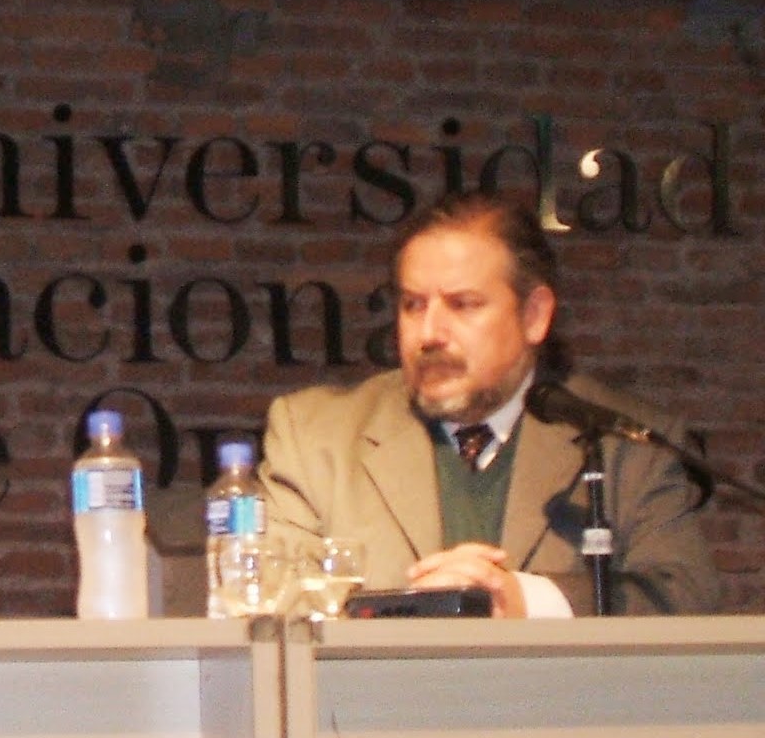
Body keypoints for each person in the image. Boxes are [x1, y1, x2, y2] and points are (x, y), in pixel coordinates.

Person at [259, 191, 719, 617]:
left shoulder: (626, 443)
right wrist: (412, 610)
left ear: (534, 315)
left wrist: (525, 599)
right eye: (413, 305)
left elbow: (684, 594)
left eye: (462, 305)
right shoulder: (314, 438)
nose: (429, 334)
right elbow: (267, 594)